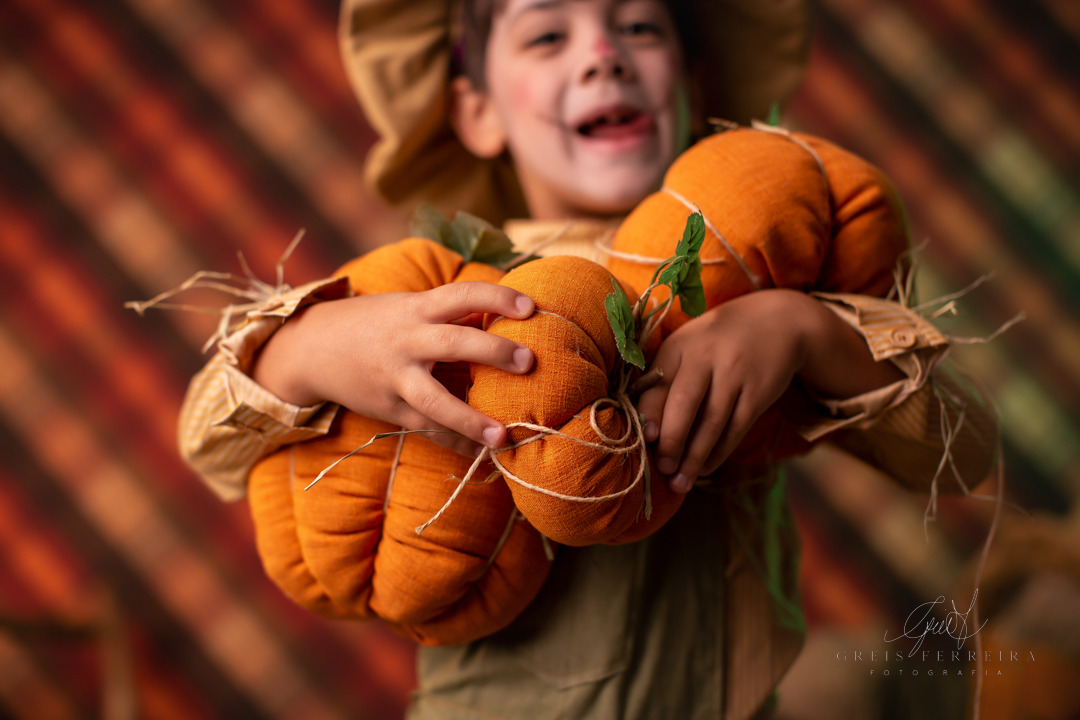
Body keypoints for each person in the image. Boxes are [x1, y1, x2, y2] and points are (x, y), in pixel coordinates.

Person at [175, 0, 998, 717]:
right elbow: (207, 442)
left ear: (693, 83)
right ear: (478, 113)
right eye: (545, 36)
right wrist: (305, 351)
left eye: (638, 25)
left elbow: (963, 456)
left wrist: (801, 331)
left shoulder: (757, 283)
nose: (603, 53)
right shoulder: (435, 299)